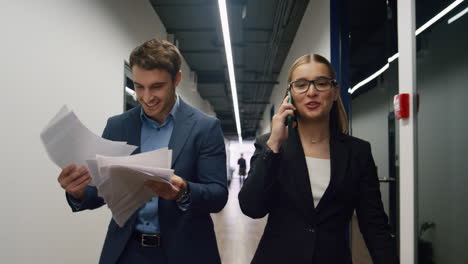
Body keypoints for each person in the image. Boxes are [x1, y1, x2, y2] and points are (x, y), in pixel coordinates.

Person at [57, 39, 228, 264]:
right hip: (127, 251)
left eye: (157, 86)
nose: (146, 97)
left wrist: (183, 191)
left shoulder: (205, 127)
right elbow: (100, 192)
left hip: (185, 251)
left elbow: (217, 195)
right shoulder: (118, 126)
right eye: (139, 86)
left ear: (176, 79)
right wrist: (78, 191)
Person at [238, 54, 398, 264]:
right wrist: (274, 146)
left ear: (334, 92)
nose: (311, 92)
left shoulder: (357, 152)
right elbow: (251, 207)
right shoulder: (270, 144)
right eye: (301, 85)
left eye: (321, 83)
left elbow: (374, 224)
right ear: (290, 95)